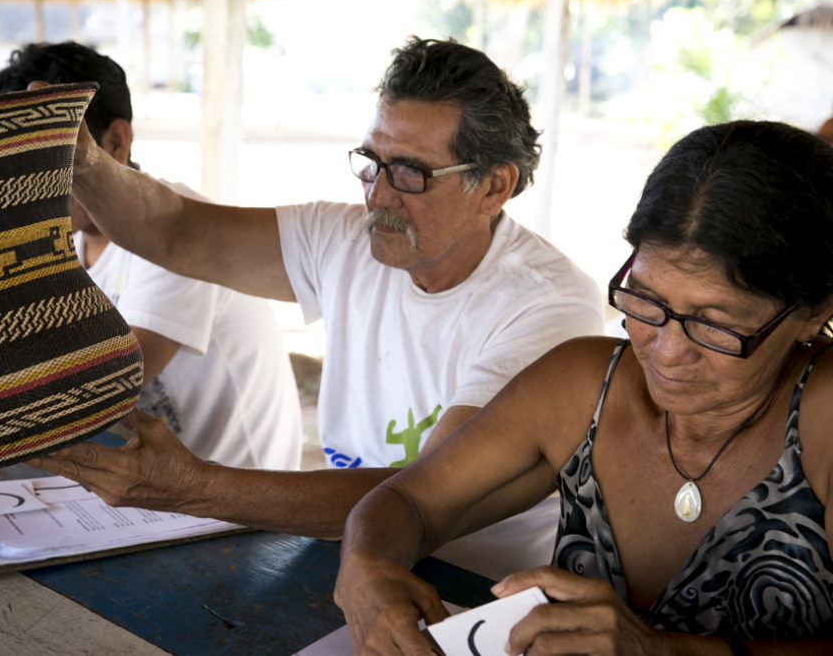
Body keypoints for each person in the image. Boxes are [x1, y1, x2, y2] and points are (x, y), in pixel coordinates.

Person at [27, 36, 604, 579]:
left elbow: (423, 496)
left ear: (495, 187)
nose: (378, 195)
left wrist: (196, 486)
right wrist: (81, 161)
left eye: (410, 173)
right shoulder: (346, 237)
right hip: (346, 553)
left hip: (475, 594)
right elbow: (176, 230)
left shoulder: (544, 306)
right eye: (372, 162)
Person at [333, 120, 833, 653]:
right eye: (645, 300)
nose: (664, 351)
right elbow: (409, 501)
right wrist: (366, 565)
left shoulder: (821, 418)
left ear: (813, 313)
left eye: (714, 325)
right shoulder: (583, 386)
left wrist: (658, 650)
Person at [0, 41, 302, 470]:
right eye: (9, 166)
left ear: (116, 141)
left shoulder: (180, 235)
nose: (26, 189)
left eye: (46, 162)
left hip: (239, 509)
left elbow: (98, 389)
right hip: (156, 495)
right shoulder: (66, 242)